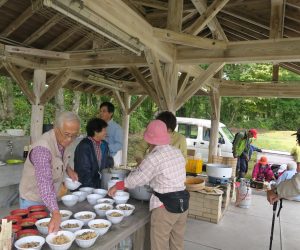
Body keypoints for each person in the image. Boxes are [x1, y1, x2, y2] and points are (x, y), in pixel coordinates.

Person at [108, 120, 188, 250]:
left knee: (159, 246)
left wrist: (117, 186)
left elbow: (137, 179)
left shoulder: (154, 157)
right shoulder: (176, 152)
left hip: (165, 207)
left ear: (150, 140)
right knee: (177, 244)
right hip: (183, 204)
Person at [19, 111, 80, 233]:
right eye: (67, 134)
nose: (69, 139)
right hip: (33, 201)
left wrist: (69, 170)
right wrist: (56, 213)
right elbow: (45, 184)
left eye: (74, 135)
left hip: (51, 199)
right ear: (56, 128)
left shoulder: (63, 141)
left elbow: (60, 160)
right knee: (31, 236)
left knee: (51, 234)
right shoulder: (42, 149)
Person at [74, 118, 112, 189]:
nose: (106, 133)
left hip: (99, 185)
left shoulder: (104, 145)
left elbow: (107, 166)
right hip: (86, 188)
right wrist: (92, 189)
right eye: (104, 130)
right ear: (96, 131)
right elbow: (84, 171)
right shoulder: (84, 146)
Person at [99, 102, 123, 166]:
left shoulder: (117, 128)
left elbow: (119, 145)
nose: (101, 113)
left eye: (104, 111)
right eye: (100, 111)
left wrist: (105, 148)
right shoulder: (97, 126)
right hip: (98, 157)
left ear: (110, 113)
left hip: (111, 158)